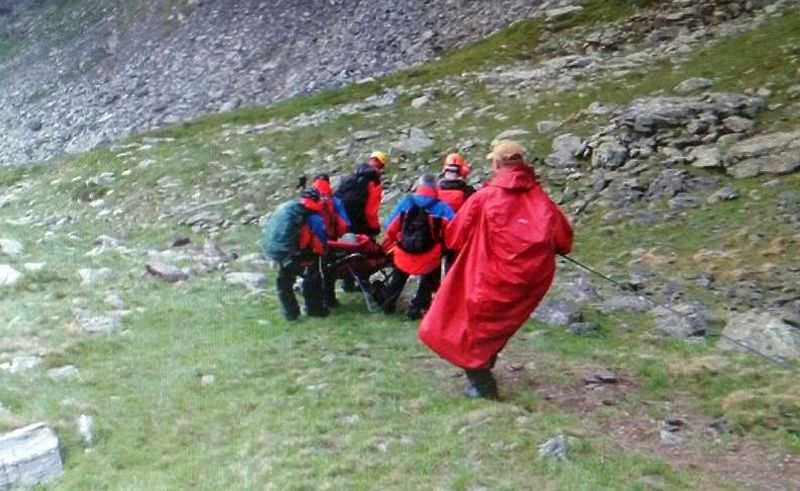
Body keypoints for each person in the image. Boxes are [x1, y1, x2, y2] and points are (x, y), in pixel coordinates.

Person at [418, 141, 573, 399]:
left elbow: (454, 237)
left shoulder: (485, 197)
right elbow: (564, 242)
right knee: (492, 327)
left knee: (458, 325)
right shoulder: (541, 199)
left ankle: (481, 383)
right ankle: (482, 373)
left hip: (486, 277)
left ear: (497, 164)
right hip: (528, 281)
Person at [381, 174, 454, 320]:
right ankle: (418, 307)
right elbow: (454, 229)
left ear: (419, 186)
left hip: (404, 253)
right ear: (435, 187)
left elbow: (389, 226)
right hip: (429, 256)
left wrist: (398, 240)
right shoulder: (442, 207)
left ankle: (388, 304)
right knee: (430, 276)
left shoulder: (406, 202)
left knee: (398, 277)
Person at [261, 188, 329, 320]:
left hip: (275, 253)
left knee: (284, 282)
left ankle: (290, 314)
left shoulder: (288, 208)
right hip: (294, 253)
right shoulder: (312, 216)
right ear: (316, 201)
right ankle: (315, 310)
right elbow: (321, 239)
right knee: (312, 278)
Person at [334, 151, 387, 291]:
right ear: (381, 167)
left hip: (344, 223)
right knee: (364, 255)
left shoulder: (352, 177)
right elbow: (371, 211)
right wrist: (374, 229)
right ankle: (363, 284)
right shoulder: (373, 184)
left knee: (347, 252)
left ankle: (347, 283)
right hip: (361, 224)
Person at [311, 174, 351, 309]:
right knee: (329, 271)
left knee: (312, 272)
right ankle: (330, 300)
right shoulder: (335, 200)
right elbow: (345, 223)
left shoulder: (310, 199)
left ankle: (315, 302)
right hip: (330, 242)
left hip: (311, 242)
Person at [437, 153, 477, 272]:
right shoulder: (468, 192)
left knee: (431, 271)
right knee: (452, 267)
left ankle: (433, 289)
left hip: (437, 234)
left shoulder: (435, 190)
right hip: (457, 236)